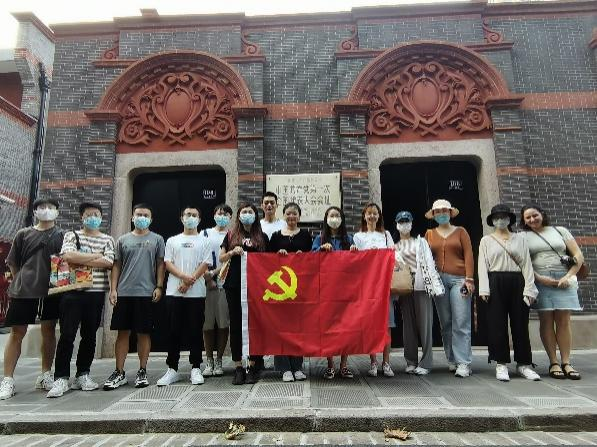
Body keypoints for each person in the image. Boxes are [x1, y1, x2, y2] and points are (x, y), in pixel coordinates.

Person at [47, 202, 115, 398]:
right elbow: (68, 256)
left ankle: (83, 374)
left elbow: (109, 262)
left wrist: (82, 257)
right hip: (72, 291)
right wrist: (95, 255)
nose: (93, 218)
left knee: (90, 335)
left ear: (101, 217)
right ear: (81, 217)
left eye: (96, 214)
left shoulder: (108, 239)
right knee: (67, 334)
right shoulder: (72, 235)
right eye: (89, 214)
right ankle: (61, 377)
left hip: (96, 293)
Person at [0, 198, 64, 400]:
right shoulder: (23, 234)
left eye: (51, 207)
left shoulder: (62, 235)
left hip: (51, 290)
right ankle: (8, 379)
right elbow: (13, 262)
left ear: (57, 211)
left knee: (49, 330)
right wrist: (21, 279)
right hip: (24, 290)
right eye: (42, 207)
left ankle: (45, 374)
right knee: (17, 332)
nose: (46, 210)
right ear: (35, 212)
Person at [103, 203, 165, 390]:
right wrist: (113, 289)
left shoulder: (157, 239)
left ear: (151, 219)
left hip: (146, 292)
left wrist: (159, 286)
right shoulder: (122, 240)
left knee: (143, 333)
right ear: (132, 217)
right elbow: (116, 265)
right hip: (124, 292)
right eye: (139, 214)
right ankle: (119, 371)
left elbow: (160, 264)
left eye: (146, 215)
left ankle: (142, 370)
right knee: (122, 333)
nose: (142, 218)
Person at [520, 204, 584, 380]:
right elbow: (523, 262)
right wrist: (540, 279)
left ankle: (566, 362)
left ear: (542, 214)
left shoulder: (560, 230)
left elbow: (578, 256)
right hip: (541, 280)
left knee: (564, 321)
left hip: (564, 279)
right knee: (546, 320)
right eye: (528, 217)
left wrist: (568, 277)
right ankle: (553, 362)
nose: (532, 219)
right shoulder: (523, 236)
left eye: (535, 215)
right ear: (524, 221)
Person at [478, 204, 540, 382]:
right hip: (495, 280)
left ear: (509, 219)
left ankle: (524, 364)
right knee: (497, 323)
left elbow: (527, 264)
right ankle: (501, 363)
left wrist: (529, 288)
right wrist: (484, 288)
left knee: (520, 323)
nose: (500, 220)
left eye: (503, 217)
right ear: (492, 221)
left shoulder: (520, 239)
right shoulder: (486, 240)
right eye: (497, 217)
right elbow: (482, 265)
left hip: (518, 280)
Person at [156, 206, 211, 387]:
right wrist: (183, 277)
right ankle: (172, 368)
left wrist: (188, 282)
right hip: (174, 292)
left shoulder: (204, 241)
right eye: (188, 214)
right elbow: (167, 263)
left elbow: (205, 264)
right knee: (173, 330)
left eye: (194, 215)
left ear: (199, 219)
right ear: (181, 218)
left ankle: (196, 367)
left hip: (196, 293)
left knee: (195, 330)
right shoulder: (173, 240)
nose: (191, 217)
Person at [424, 199, 475, 378]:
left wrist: (469, 279)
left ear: (450, 213)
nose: (441, 214)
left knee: (461, 320)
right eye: (438, 212)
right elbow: (425, 258)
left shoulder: (461, 231)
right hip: (438, 281)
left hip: (459, 280)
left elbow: (469, 254)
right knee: (445, 321)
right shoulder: (429, 234)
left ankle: (463, 362)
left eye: (444, 211)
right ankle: (451, 359)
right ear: (434, 215)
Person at [220, 203, 269, 385]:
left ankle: (252, 366)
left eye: (250, 212)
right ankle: (238, 366)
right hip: (234, 285)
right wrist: (232, 252)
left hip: (256, 287)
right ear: (239, 215)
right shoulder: (231, 235)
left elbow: (269, 261)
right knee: (236, 324)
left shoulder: (262, 237)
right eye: (244, 212)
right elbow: (221, 257)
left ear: (255, 215)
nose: (247, 214)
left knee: (254, 324)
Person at [394, 211, 444, 376]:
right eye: (401, 222)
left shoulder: (420, 242)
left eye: (407, 221)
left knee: (425, 324)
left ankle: (426, 362)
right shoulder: (394, 245)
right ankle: (411, 361)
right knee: (408, 324)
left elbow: (429, 262)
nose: (404, 224)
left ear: (412, 223)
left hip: (421, 284)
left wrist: (433, 284)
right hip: (404, 285)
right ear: (396, 224)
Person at [269, 202, 313, 382]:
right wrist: (277, 255)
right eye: (288, 213)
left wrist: (304, 256)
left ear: (299, 216)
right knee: (281, 327)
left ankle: (297, 366)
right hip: (280, 288)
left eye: (294, 213)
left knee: (298, 327)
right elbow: (266, 260)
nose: (291, 216)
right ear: (284, 215)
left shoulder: (306, 236)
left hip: (300, 288)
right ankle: (284, 367)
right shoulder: (275, 236)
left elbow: (313, 259)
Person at [312, 206, 357, 379]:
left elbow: (357, 262)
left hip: (346, 290)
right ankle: (330, 365)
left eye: (337, 215)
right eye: (331, 215)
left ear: (342, 219)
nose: (334, 218)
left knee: (347, 326)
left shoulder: (349, 239)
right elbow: (310, 258)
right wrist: (321, 249)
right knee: (328, 327)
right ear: (326, 219)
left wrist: (354, 252)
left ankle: (344, 365)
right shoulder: (320, 238)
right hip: (326, 289)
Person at [353, 202, 395, 378]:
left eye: (375, 213)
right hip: (368, 285)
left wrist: (381, 254)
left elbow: (393, 254)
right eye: (369, 213)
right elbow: (355, 261)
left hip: (384, 284)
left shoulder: (386, 235)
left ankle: (386, 362)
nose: (371, 216)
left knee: (387, 324)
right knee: (371, 324)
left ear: (379, 216)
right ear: (364, 216)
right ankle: (373, 362)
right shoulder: (358, 236)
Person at [201, 204, 233, 377]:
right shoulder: (205, 233)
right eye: (219, 213)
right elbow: (200, 257)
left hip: (224, 283)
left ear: (230, 217)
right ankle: (209, 360)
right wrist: (207, 278)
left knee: (223, 323)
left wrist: (215, 274)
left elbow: (230, 260)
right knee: (207, 324)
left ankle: (219, 359)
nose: (222, 216)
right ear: (214, 215)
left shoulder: (232, 235)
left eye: (226, 214)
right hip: (205, 284)